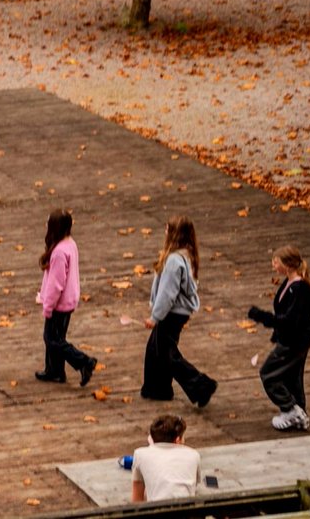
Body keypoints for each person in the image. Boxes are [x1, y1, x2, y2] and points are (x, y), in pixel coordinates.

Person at [140, 215, 218, 407]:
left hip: (172, 313)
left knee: (167, 354)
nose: (164, 231)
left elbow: (167, 294)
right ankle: (157, 388)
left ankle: (201, 385)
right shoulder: (187, 254)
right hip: (179, 311)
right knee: (155, 349)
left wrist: (155, 317)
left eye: (167, 228)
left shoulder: (174, 261)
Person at [249, 246, 310, 431]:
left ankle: (290, 409)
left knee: (269, 373)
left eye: (276, 262)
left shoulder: (299, 288)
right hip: (294, 337)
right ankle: (299, 412)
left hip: (296, 339)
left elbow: (290, 320)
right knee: (293, 374)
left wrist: (261, 316)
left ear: (288, 265)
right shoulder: (292, 284)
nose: (273, 265)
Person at [35, 210, 97, 385]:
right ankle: (54, 370)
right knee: (56, 337)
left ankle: (83, 361)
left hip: (59, 303)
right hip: (68, 300)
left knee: (52, 339)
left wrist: (48, 306)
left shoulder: (59, 252)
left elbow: (56, 284)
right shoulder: (70, 244)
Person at [130, 415, 201, 503]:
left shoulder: (140, 454)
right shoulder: (193, 454)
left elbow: (137, 499)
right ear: (178, 440)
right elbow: (191, 488)